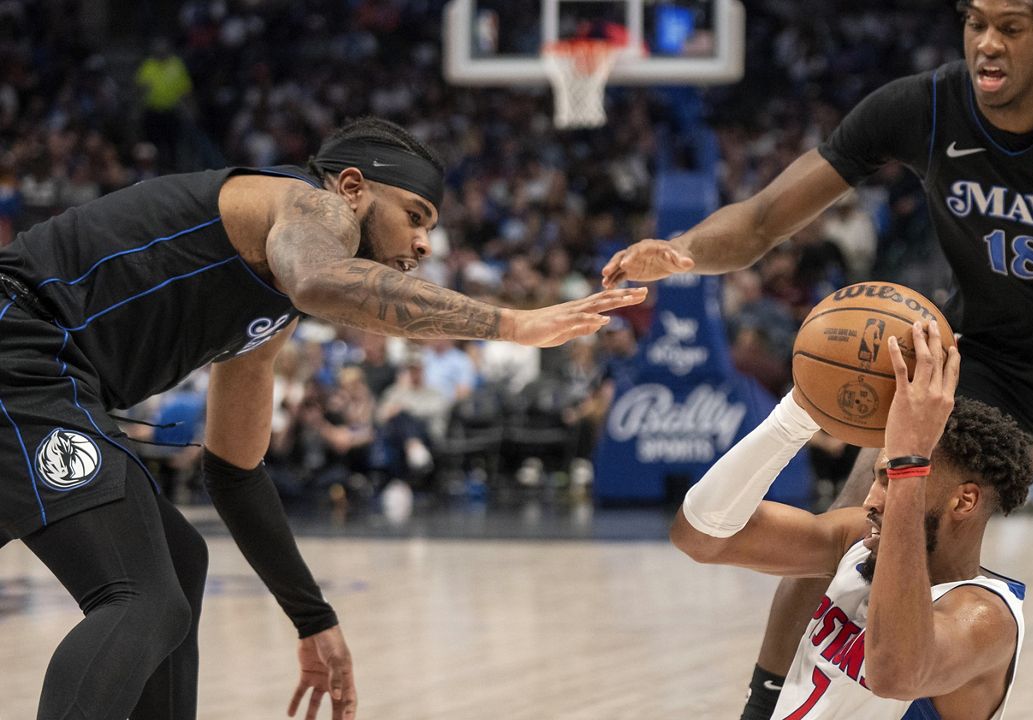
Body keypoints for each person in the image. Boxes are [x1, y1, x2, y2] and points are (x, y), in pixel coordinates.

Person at [602, 0, 1033, 715]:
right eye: (975, 23)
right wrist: (683, 254)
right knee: (847, 527)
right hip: (978, 361)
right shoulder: (922, 107)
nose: (987, 43)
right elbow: (767, 218)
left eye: (1010, 28)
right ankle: (764, 702)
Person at [0, 116, 645, 720]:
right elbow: (321, 281)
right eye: (415, 216)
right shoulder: (306, 203)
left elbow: (233, 472)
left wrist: (312, 618)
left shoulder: (269, 298)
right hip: (21, 343)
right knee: (142, 596)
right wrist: (509, 323)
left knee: (178, 560)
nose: (425, 242)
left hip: (42, 367)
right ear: (355, 188)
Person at [671, 321, 1033, 719]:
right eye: (880, 477)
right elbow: (701, 536)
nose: (871, 501)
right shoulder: (856, 541)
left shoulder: (985, 618)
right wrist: (797, 414)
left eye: (890, 479)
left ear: (964, 501)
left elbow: (896, 674)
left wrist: (909, 462)